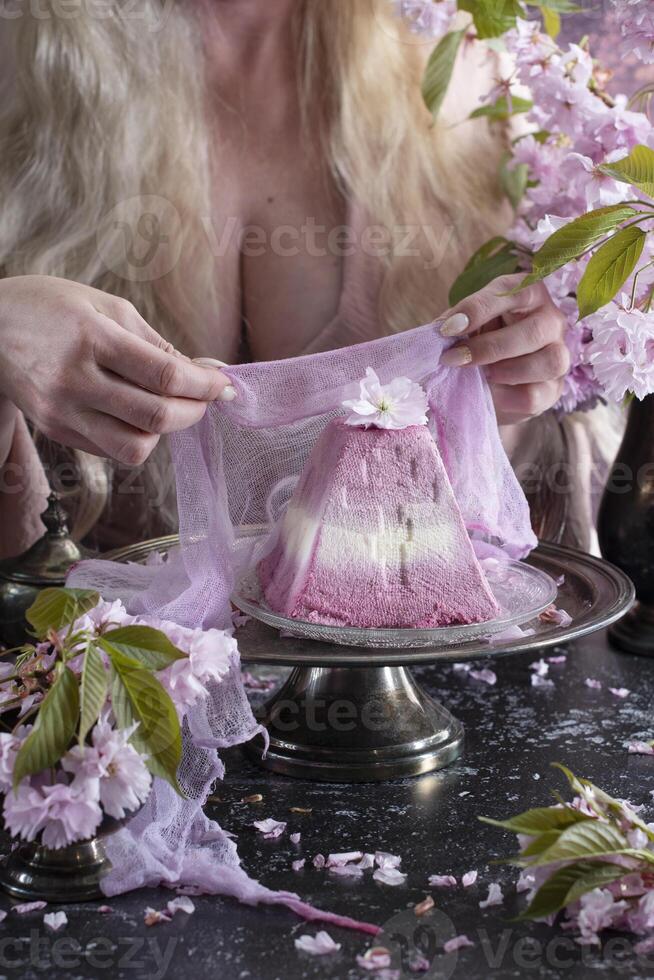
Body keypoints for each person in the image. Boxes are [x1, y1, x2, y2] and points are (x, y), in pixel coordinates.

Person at [0, 0, 613, 560]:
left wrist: (512, 382)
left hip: (409, 657)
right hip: (92, 663)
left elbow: (523, 508)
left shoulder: (474, 69)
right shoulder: (23, 62)